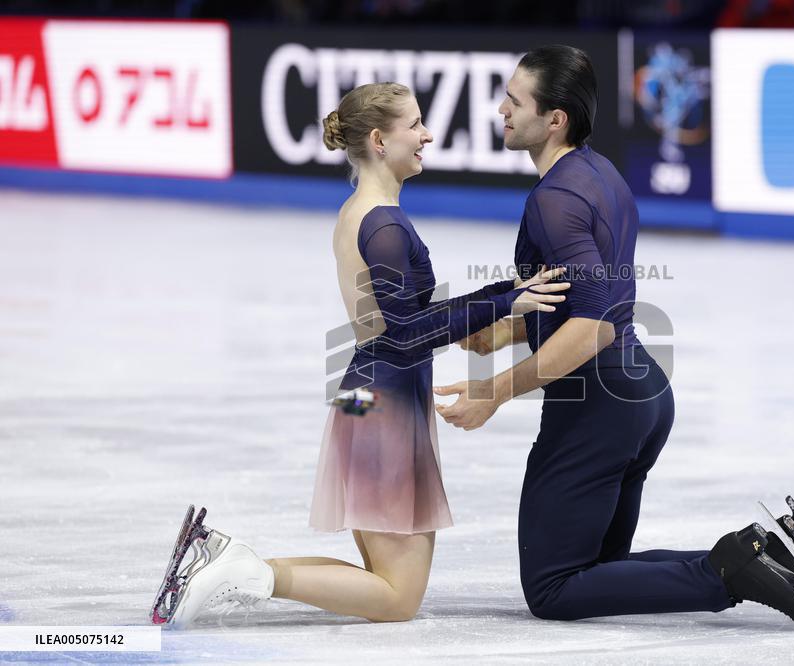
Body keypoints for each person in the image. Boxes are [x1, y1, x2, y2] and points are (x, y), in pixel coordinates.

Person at [435, 45, 794, 629]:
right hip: (640, 390)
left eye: (515, 101)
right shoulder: (599, 174)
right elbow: (589, 304)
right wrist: (507, 330)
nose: (501, 111)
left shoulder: (555, 199)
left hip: (597, 403)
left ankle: (728, 572)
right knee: (597, 568)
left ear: (555, 118)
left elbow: (591, 329)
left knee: (554, 588)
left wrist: (493, 392)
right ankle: (759, 558)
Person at [159, 82, 569, 627]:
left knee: (385, 580)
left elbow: (402, 323)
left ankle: (229, 563)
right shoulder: (385, 225)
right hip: (384, 406)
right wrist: (507, 302)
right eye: (415, 125)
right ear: (379, 139)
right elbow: (405, 334)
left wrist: (505, 293)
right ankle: (241, 569)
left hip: (365, 397)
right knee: (398, 597)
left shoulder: (361, 211)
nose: (427, 135)